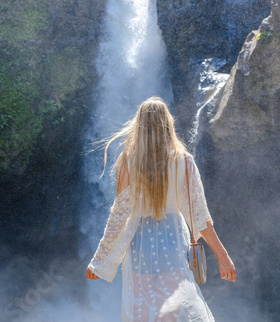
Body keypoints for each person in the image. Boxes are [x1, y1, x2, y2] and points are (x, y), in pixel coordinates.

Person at [86, 96, 236, 321]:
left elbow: (118, 215)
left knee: (143, 309)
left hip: (140, 245)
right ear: (168, 124)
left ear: (139, 125)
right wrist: (223, 256)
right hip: (172, 241)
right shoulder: (184, 161)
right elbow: (199, 215)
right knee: (175, 306)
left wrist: (99, 261)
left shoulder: (128, 160)